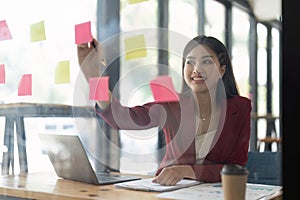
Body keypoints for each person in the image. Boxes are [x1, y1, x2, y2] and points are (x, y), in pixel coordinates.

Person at [77, 35, 252, 186]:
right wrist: (93, 76)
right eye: (190, 62)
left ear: (222, 71)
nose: (196, 69)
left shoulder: (240, 108)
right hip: (169, 192)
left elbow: (237, 167)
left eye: (206, 61)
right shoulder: (171, 104)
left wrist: (188, 171)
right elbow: (121, 118)